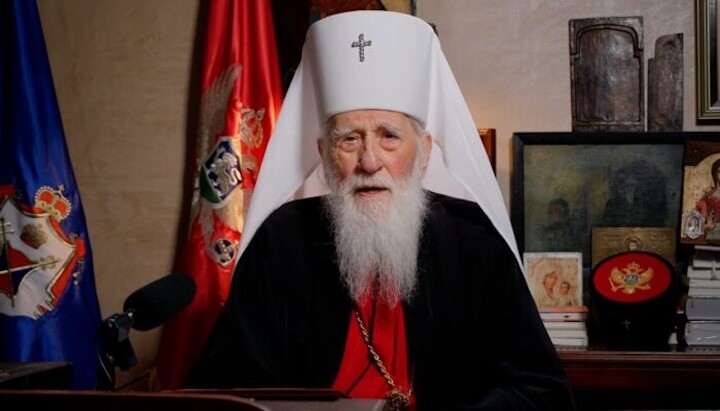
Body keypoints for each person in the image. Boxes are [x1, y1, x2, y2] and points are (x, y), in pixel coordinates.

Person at [186, 10, 576, 411]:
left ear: (424, 153)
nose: (369, 161)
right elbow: (229, 389)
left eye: (389, 136)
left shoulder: (475, 241)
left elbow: (541, 392)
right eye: (349, 139)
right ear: (324, 154)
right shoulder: (281, 241)